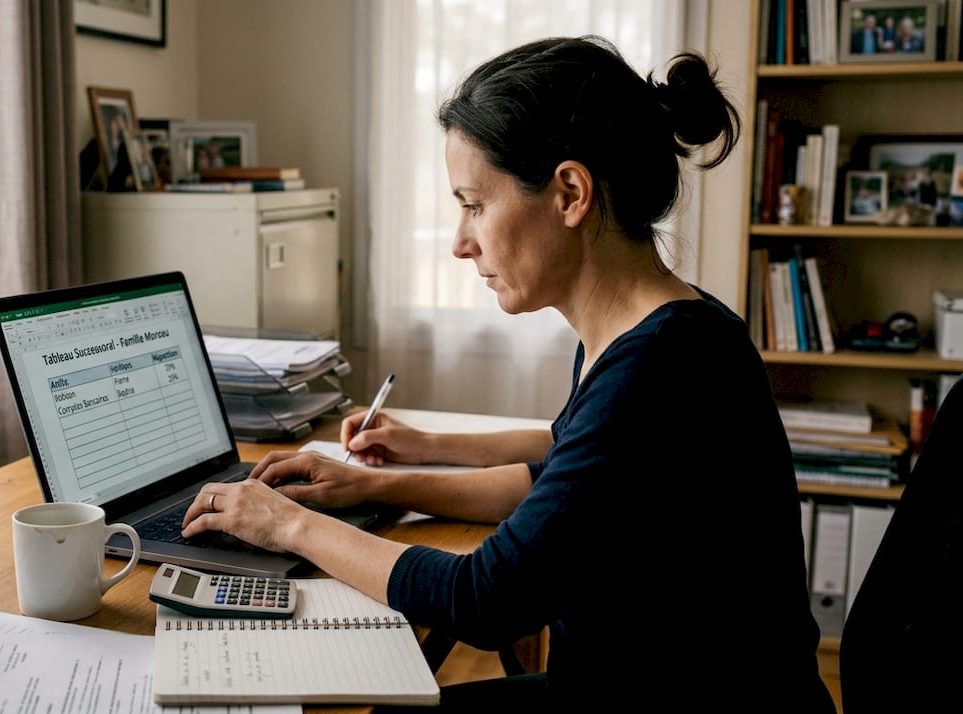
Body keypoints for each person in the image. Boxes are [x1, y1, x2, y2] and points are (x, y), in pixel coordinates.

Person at [181, 36, 835, 711]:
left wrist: (288, 525)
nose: (460, 243)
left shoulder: (661, 365)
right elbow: (558, 476)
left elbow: (485, 599)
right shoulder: (660, 329)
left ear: (570, 193)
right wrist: (377, 482)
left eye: (474, 205)